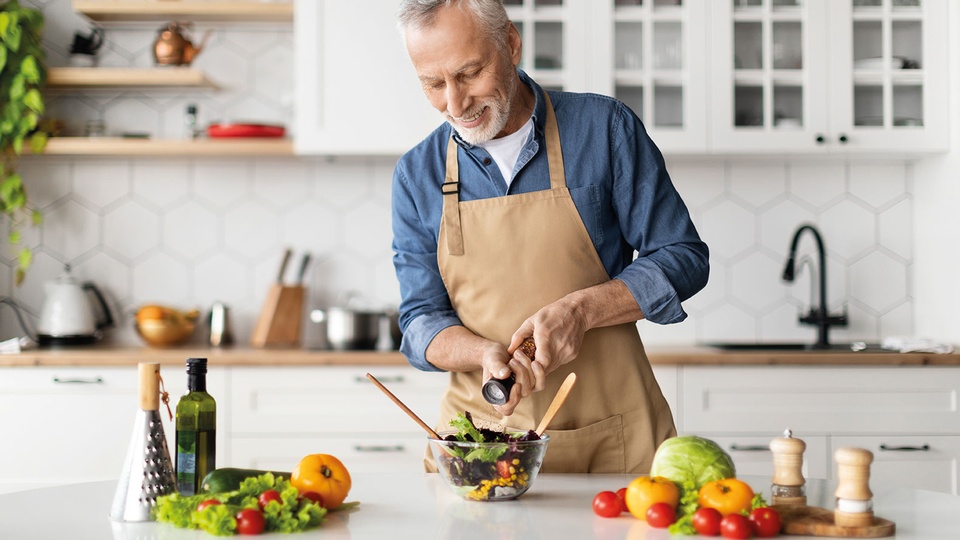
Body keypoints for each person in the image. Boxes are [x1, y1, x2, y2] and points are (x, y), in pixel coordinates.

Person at [392, 0, 709, 474]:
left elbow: (683, 256)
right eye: (434, 84)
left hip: (614, 436)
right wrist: (482, 353)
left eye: (470, 73)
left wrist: (580, 312)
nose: (455, 104)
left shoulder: (605, 129)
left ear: (511, 44)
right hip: (482, 446)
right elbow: (420, 319)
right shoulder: (417, 174)